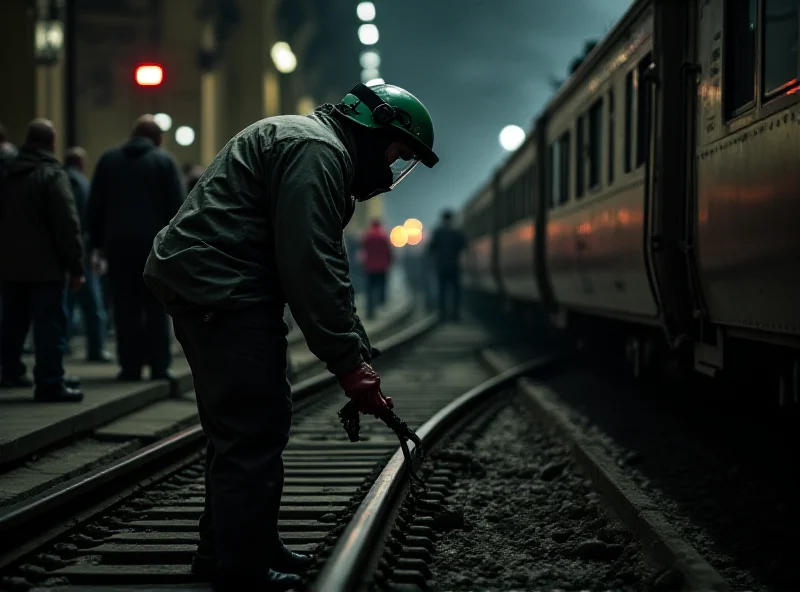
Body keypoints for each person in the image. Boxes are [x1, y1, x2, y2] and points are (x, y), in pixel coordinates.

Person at [143, 82, 438, 591]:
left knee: (245, 422)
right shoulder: (316, 152)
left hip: (219, 287)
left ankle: (235, 547)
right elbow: (310, 265)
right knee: (251, 426)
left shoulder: (312, 144)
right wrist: (348, 364)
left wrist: (357, 347)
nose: (391, 173)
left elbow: (326, 266)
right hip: (222, 291)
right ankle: (241, 569)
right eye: (397, 153)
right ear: (374, 131)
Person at [88, 115, 185, 382]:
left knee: (124, 308)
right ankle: (159, 365)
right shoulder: (164, 162)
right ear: (158, 139)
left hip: (117, 247)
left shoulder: (108, 161)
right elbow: (177, 208)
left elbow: (95, 206)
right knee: (155, 306)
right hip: (155, 248)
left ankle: (130, 367)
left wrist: (96, 244)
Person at [0, 119, 85, 401]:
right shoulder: (52, 174)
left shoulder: (8, 174)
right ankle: (50, 382)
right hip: (46, 268)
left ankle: (10, 372)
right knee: (49, 327)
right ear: (51, 143)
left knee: (12, 324)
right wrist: (75, 266)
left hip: (10, 266)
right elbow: (66, 225)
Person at [64, 147, 112, 363]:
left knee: (66, 303)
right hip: (81, 250)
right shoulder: (82, 183)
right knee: (93, 306)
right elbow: (89, 216)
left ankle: (62, 346)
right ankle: (95, 349)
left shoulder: (60, 179)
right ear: (81, 163)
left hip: (61, 253)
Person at [428, 209, 466, 321]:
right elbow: (463, 245)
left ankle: (442, 315)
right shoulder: (457, 232)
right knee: (456, 292)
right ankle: (455, 314)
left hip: (441, 266)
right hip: (454, 266)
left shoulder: (438, 232)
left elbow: (430, 249)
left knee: (442, 291)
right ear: (451, 219)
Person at [359, 218, 393, 319]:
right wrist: (389, 262)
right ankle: (380, 304)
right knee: (381, 287)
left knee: (370, 289)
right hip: (382, 267)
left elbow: (363, 250)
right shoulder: (383, 236)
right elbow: (388, 251)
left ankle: (370, 311)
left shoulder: (367, 236)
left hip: (370, 267)